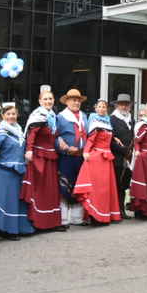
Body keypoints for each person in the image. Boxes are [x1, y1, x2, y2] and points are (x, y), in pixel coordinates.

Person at [0, 105, 35, 241]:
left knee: (18, 201)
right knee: (8, 201)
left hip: (20, 171)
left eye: (13, 114)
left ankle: (19, 227)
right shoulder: (2, 131)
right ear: (3, 116)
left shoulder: (19, 131)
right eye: (8, 114)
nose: (11, 116)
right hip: (7, 171)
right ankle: (7, 230)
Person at [20, 86, 64, 231]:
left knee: (51, 190)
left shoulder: (52, 116)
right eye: (45, 99)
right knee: (40, 190)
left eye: (50, 98)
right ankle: (39, 222)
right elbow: (31, 134)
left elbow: (53, 135)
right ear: (40, 101)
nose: (48, 101)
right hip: (39, 156)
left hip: (51, 156)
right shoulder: (38, 115)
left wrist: (60, 140)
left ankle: (52, 222)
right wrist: (29, 150)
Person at [74, 99, 122, 224]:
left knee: (105, 189)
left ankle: (105, 215)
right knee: (98, 188)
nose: (101, 109)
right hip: (98, 158)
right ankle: (95, 215)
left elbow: (108, 137)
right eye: (99, 107)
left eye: (104, 107)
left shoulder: (107, 122)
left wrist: (115, 138)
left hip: (107, 159)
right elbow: (91, 139)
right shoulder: (95, 122)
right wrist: (86, 152)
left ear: (107, 109)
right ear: (95, 109)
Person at [55, 89, 89, 227]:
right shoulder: (60, 117)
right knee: (64, 185)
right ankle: (63, 219)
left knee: (78, 185)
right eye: (74, 100)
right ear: (67, 102)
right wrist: (66, 149)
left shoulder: (84, 116)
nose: (77, 103)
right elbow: (54, 136)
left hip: (81, 157)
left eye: (78, 100)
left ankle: (76, 218)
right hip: (66, 157)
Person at [109, 94, 135, 220]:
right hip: (117, 156)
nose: (123, 106)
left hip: (128, 158)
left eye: (126, 104)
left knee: (124, 184)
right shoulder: (112, 119)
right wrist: (125, 151)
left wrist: (131, 151)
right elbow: (111, 139)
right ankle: (115, 211)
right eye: (121, 104)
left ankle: (122, 210)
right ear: (117, 105)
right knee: (116, 184)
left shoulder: (132, 119)